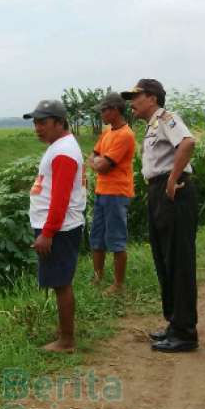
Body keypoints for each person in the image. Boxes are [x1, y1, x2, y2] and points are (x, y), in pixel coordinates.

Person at [122, 79, 199, 353]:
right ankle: (174, 324)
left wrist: (172, 179)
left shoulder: (167, 118)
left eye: (136, 96)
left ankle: (185, 333)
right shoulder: (152, 125)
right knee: (164, 260)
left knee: (178, 261)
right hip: (159, 193)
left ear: (152, 98)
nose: (132, 102)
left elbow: (188, 143)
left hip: (173, 192)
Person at [23, 100, 86, 353]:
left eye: (43, 122)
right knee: (60, 281)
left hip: (59, 229)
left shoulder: (63, 152)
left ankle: (67, 340)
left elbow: (59, 199)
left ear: (59, 122)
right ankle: (64, 331)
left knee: (61, 283)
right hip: (58, 227)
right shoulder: (60, 147)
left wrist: (47, 233)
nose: (38, 128)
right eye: (35, 122)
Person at [87, 91, 136, 295]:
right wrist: (97, 162)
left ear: (115, 110)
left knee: (116, 239)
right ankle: (98, 277)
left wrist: (97, 163)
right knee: (97, 236)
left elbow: (103, 166)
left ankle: (118, 284)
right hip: (102, 191)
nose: (101, 114)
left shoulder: (125, 135)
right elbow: (94, 156)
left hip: (117, 193)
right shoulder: (107, 132)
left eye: (104, 110)